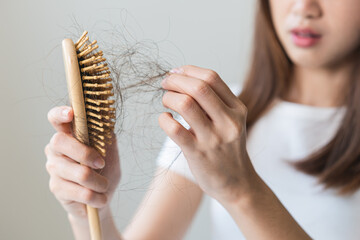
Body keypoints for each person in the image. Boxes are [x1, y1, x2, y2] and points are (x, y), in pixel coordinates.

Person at [44, 0, 360, 239]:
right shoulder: (219, 121)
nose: (303, 7)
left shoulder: (221, 126)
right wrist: (88, 211)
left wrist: (239, 190)